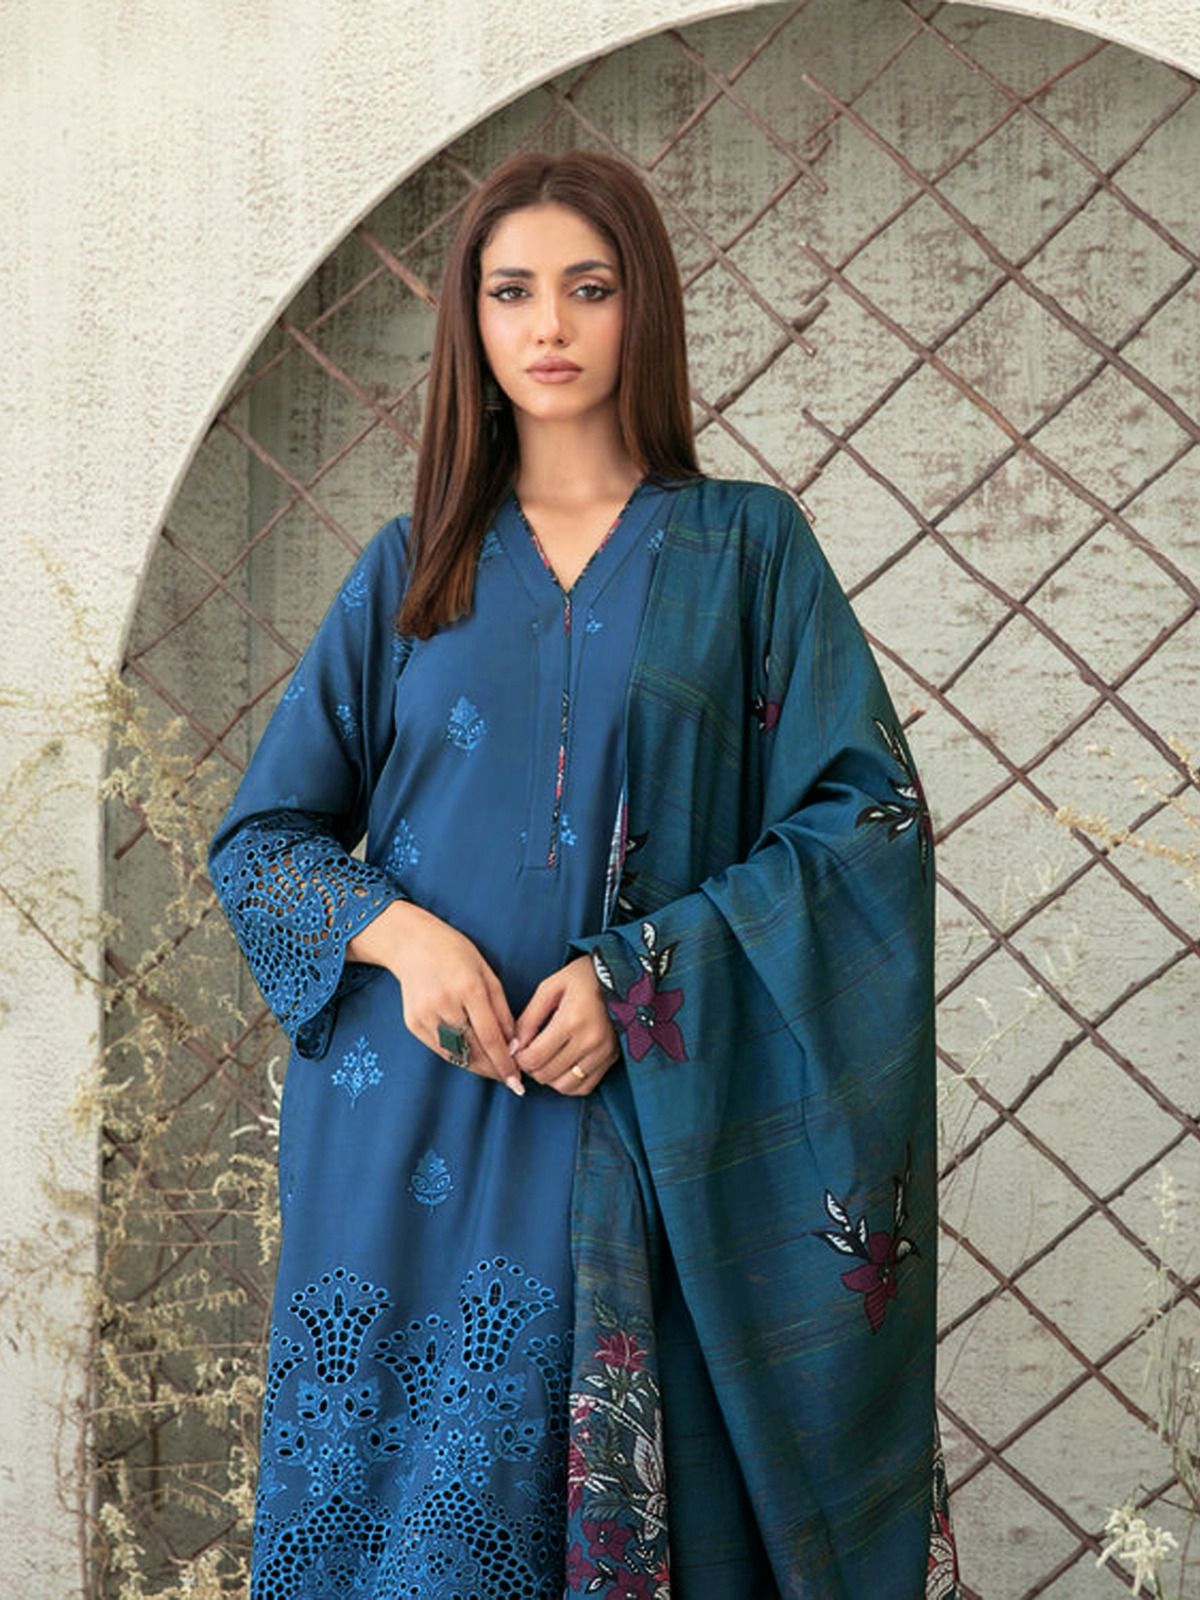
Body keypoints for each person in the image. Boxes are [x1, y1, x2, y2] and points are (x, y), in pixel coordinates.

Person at [208, 149, 958, 1600]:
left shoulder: (748, 553)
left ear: (641, 311)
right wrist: (399, 934)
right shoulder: (411, 568)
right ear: (473, 324)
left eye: (588, 287)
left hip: (652, 1134)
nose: (548, 324)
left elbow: (866, 825)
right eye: (511, 291)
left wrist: (644, 979)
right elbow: (263, 844)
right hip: (413, 1136)